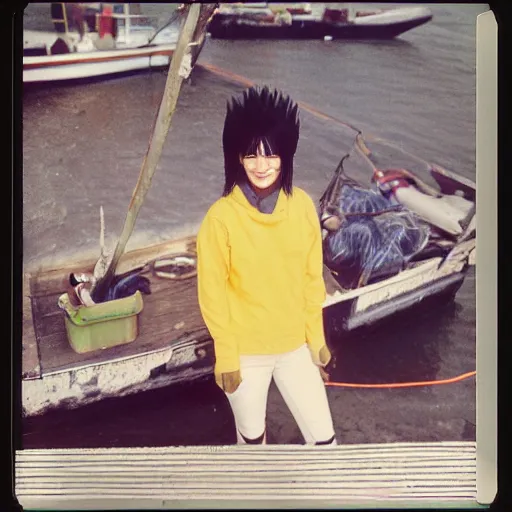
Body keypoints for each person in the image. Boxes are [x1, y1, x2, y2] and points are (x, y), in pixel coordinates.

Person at [196, 86, 337, 445]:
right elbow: (212, 295)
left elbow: (311, 280)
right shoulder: (220, 219)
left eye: (271, 154)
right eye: (251, 155)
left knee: (325, 441)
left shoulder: (303, 206)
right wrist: (226, 355)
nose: (261, 166)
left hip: (294, 350)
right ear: (236, 157)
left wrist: (316, 341)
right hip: (245, 354)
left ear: (286, 154)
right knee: (253, 442)